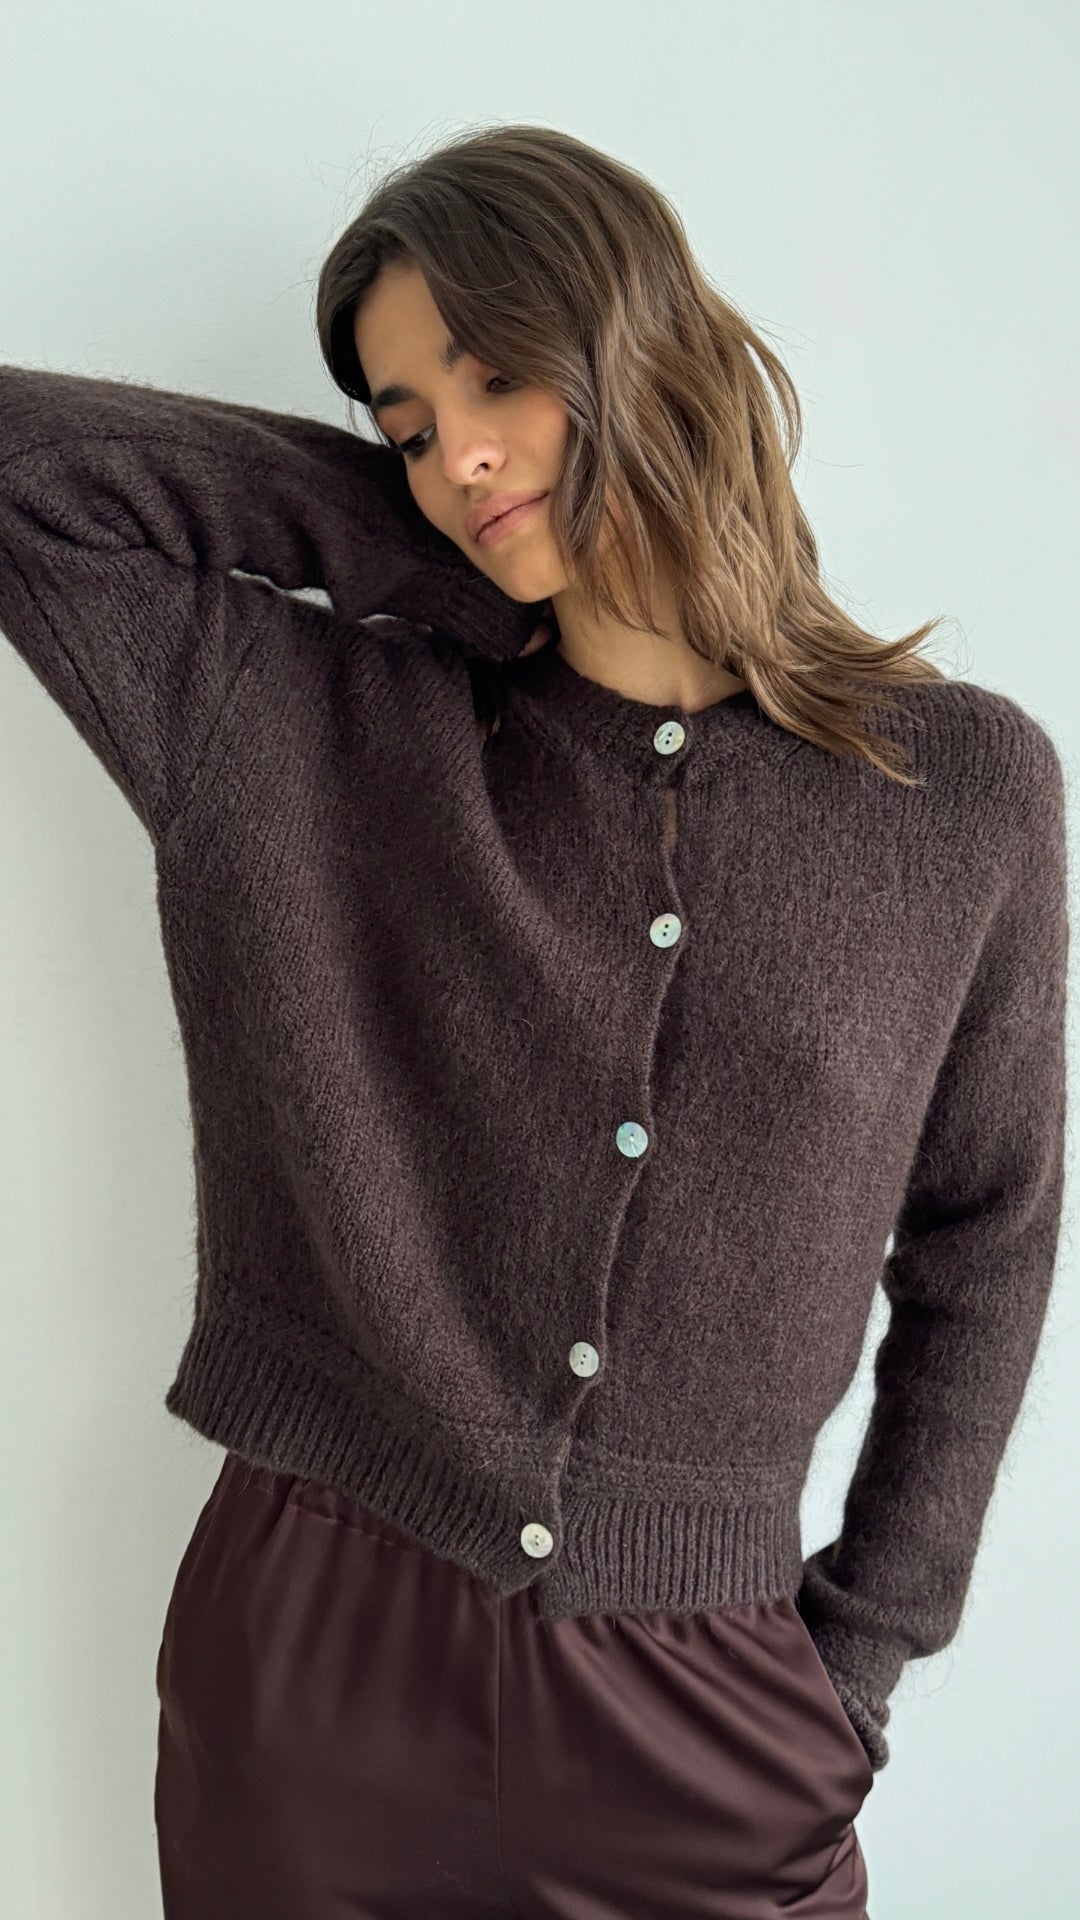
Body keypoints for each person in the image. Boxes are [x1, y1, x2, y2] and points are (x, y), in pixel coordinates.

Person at [0, 124, 1069, 1919]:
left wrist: (862, 1661)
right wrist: (471, 558)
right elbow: (24, 473)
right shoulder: (294, 719)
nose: (459, 454)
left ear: (644, 344)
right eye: (410, 426)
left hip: (720, 1706)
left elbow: (988, 1237)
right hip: (317, 1664)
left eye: (495, 378)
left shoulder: (959, 793)